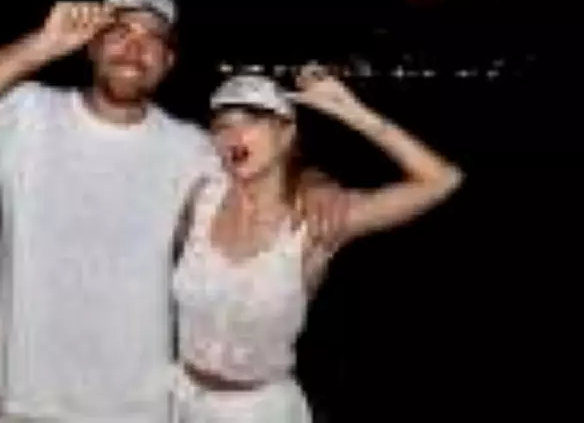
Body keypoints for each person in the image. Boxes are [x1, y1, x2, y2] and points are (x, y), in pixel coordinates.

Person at [0, 0, 341, 423]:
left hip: (139, 407)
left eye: (153, 39)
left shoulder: (190, 148)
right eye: (120, 31)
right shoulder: (30, 115)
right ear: (90, 46)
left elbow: (263, 170)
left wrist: (315, 180)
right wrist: (40, 45)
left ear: (168, 62)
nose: (135, 49)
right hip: (20, 402)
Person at [170, 70, 463, 421]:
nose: (234, 135)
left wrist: (351, 112)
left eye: (252, 121)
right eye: (222, 125)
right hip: (179, 401)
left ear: (286, 134)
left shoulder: (316, 221)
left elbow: (442, 180)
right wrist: (316, 176)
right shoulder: (200, 196)